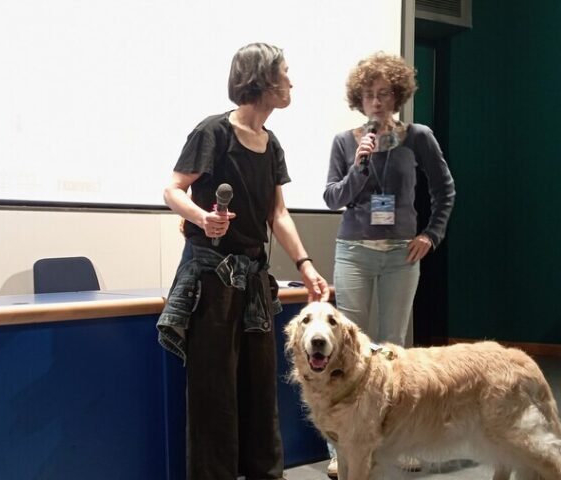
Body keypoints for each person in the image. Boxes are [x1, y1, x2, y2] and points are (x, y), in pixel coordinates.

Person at [156, 43, 330, 480]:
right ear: (263, 79)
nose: (291, 81)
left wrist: (306, 264)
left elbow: (278, 214)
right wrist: (201, 217)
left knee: (259, 391)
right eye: (285, 72)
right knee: (213, 395)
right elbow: (173, 189)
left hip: (253, 281)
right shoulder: (213, 132)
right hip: (211, 280)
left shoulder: (271, 145)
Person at [322, 51, 455, 477]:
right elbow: (333, 198)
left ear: (397, 96)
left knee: (394, 349)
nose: (376, 103)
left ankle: (398, 439)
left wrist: (431, 234)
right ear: (358, 100)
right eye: (368, 96)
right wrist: (361, 163)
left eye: (384, 95)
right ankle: (340, 446)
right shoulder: (346, 142)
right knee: (347, 350)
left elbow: (444, 189)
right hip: (354, 252)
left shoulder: (419, 137)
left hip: (401, 254)